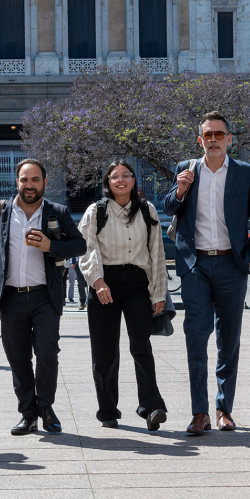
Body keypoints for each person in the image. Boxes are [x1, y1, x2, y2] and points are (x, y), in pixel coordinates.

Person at [163, 111, 250, 435]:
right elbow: (169, 207)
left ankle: (224, 409)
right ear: (200, 140)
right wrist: (179, 191)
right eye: (208, 135)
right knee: (195, 337)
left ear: (229, 139)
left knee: (229, 339)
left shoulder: (246, 173)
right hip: (195, 265)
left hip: (231, 266)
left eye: (219, 134)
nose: (213, 140)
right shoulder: (187, 169)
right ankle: (199, 413)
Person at [0, 159, 86, 435]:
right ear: (17, 182)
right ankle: (28, 413)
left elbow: (79, 245)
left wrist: (52, 246)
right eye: (24, 180)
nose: (29, 185)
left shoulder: (57, 212)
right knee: (18, 357)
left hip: (45, 296)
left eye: (35, 180)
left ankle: (46, 408)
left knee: (48, 353)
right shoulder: (2, 211)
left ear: (44, 183)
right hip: (11, 297)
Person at [78, 161, 169, 431]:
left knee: (141, 347)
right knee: (105, 351)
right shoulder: (96, 211)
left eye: (126, 175)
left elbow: (157, 253)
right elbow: (86, 249)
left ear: (133, 181)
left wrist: (158, 293)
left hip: (137, 284)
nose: (120, 180)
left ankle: (152, 407)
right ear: (107, 183)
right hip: (105, 282)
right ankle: (107, 409)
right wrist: (98, 281)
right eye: (114, 176)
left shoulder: (147, 209)